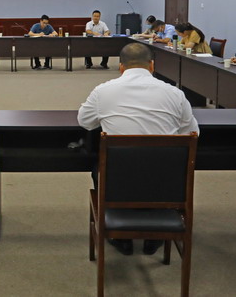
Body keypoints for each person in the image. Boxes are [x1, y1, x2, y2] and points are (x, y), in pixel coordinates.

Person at [78, 43, 199, 256]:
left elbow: (85, 122)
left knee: (100, 167)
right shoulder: (175, 93)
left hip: (118, 180)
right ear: (152, 65)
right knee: (161, 166)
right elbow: (192, 133)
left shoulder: (103, 91)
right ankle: (157, 233)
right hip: (165, 180)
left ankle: (119, 235)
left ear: (121, 67)